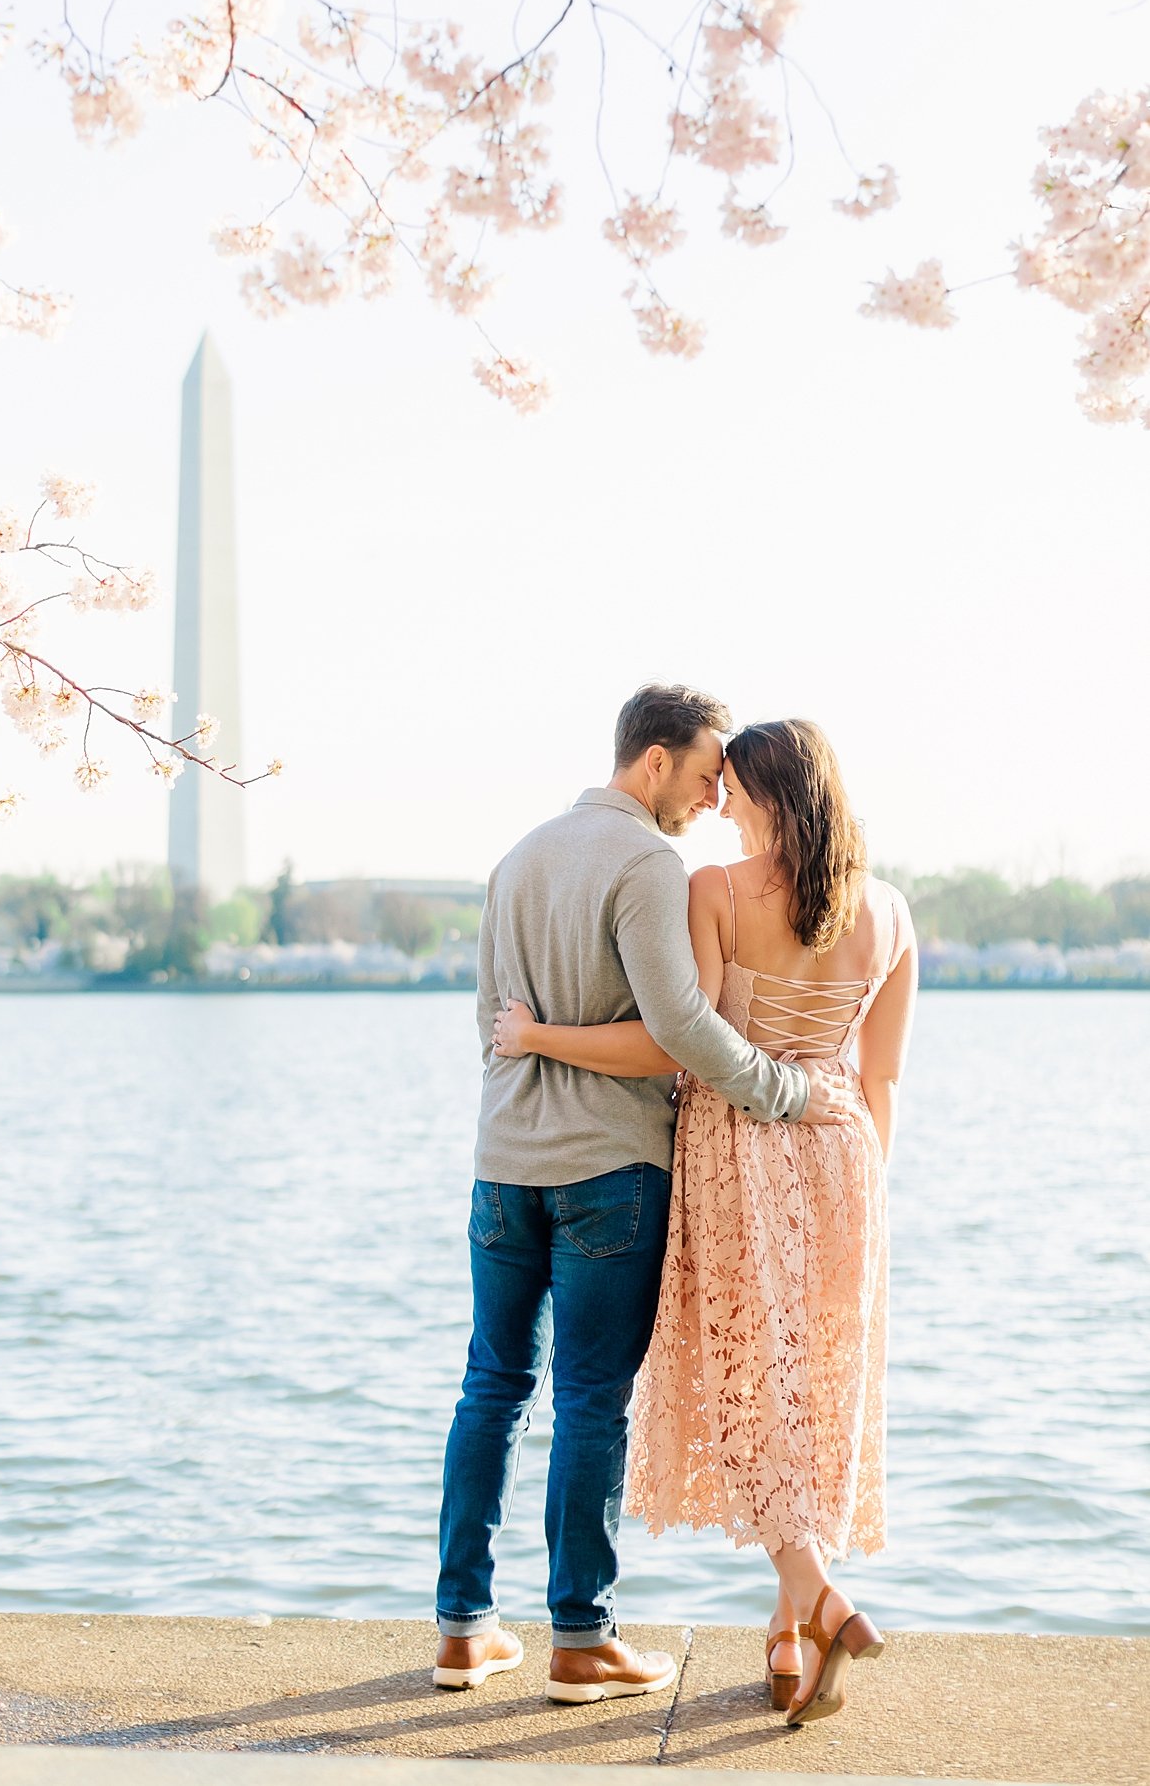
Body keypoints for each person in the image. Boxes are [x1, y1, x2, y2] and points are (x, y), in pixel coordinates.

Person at [492, 718, 915, 1728]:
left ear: (770, 797)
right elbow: (884, 1075)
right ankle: (789, 1634)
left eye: (733, 791)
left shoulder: (716, 893)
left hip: (743, 1151)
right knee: (809, 1389)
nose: (719, 807)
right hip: (846, 1150)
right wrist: (865, 1194)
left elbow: (686, 1041)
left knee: (747, 1386)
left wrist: (541, 1035)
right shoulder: (892, 911)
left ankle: (812, 1588)